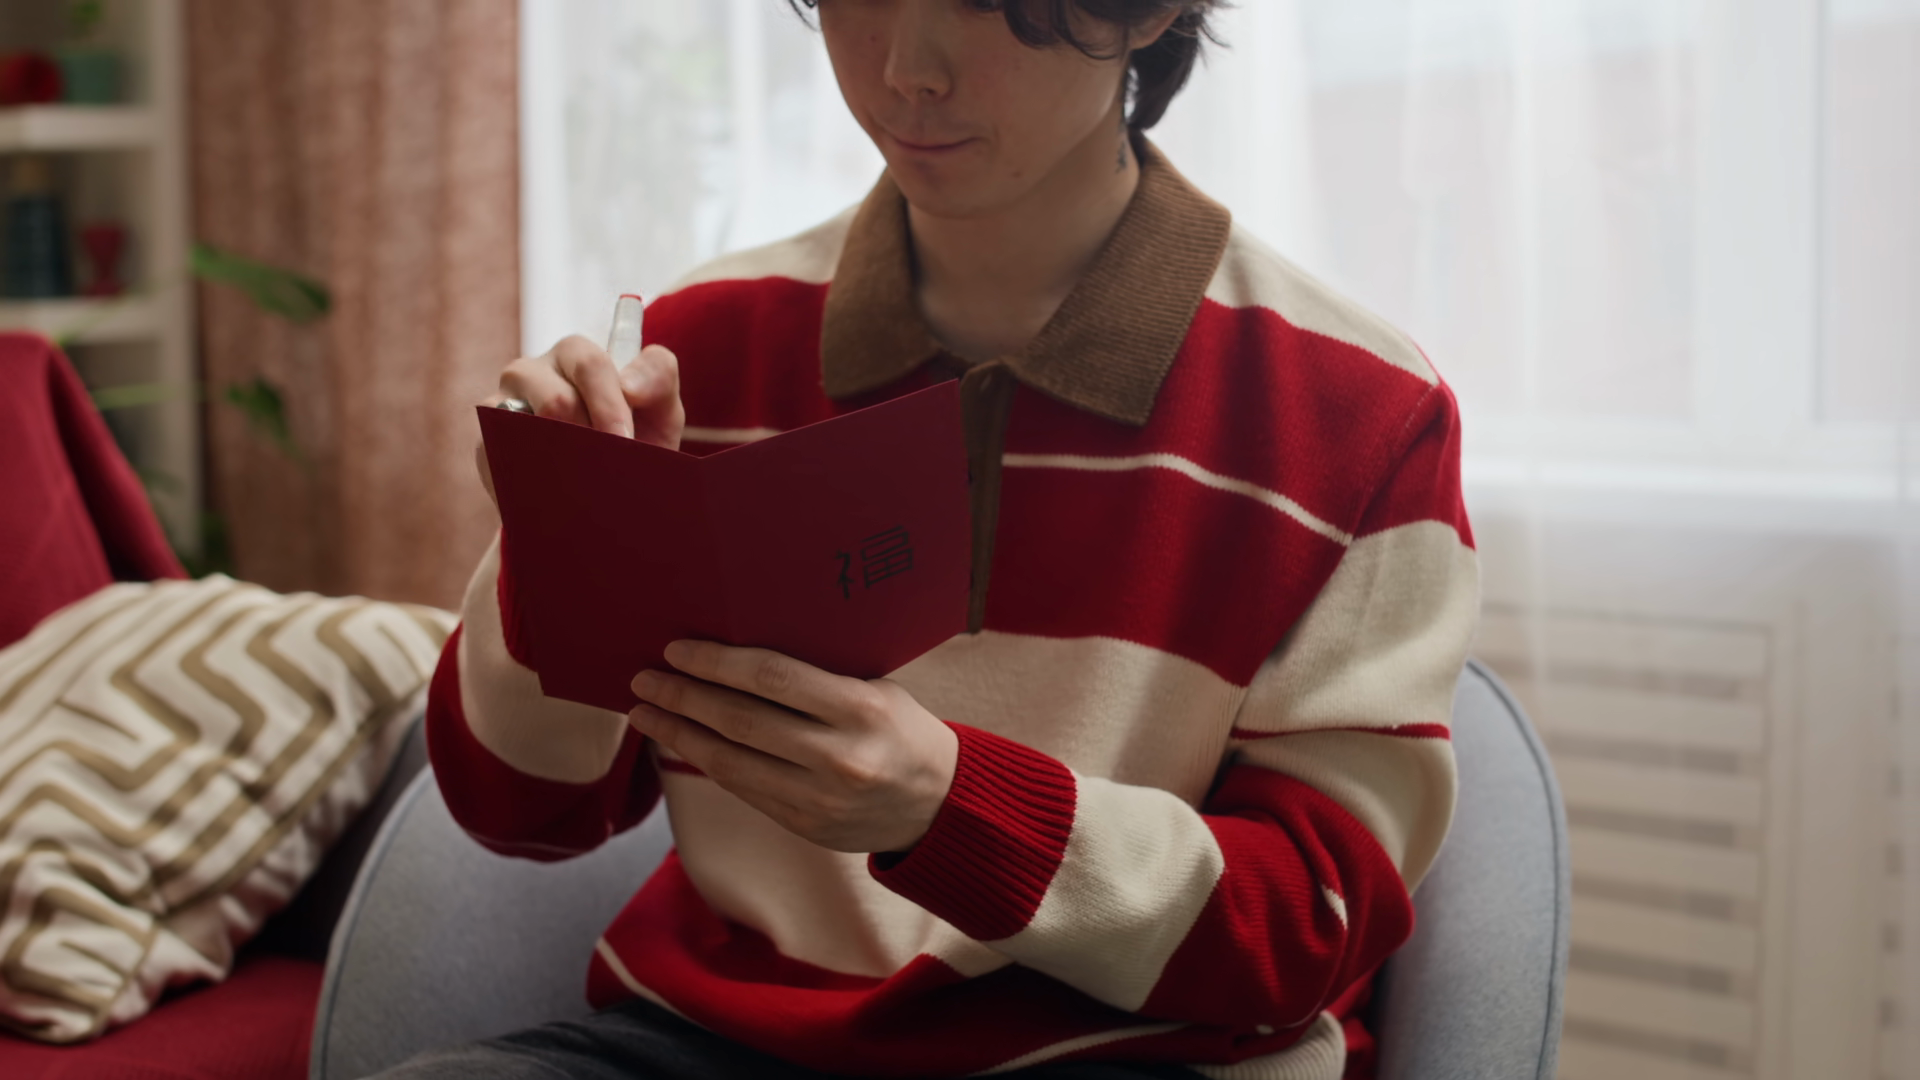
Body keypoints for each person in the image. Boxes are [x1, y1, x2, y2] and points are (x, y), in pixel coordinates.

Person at [391, 0, 1477, 1077]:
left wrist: (951, 810)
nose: (907, 68)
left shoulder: (1362, 413)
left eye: (981, 3)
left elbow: (1306, 927)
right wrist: (559, 537)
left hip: (1134, 1053)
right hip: (714, 1042)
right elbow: (522, 812)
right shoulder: (704, 342)